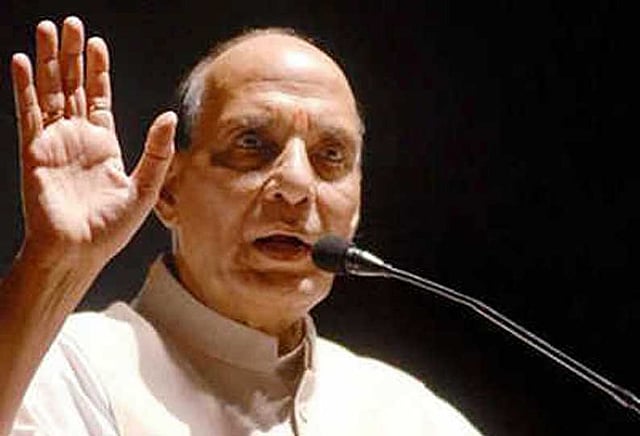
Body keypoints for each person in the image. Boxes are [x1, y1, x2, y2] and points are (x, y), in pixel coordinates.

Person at [0, 15, 481, 435]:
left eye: (331, 155)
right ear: (167, 190)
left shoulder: (407, 413)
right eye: (251, 143)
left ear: (356, 205)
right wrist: (55, 265)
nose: (296, 185)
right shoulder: (61, 369)